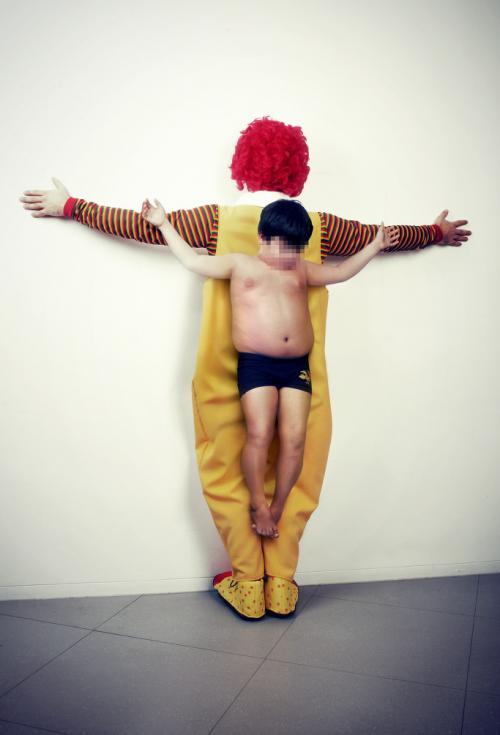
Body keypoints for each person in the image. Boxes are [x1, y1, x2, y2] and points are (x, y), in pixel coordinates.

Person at [19, 116, 471, 620]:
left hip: (227, 374)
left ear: (242, 167)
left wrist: (73, 206)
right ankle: (282, 582)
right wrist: (434, 232)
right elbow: (380, 236)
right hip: (301, 370)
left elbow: (138, 224)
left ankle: (249, 582)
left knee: (228, 465)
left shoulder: (215, 221)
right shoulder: (317, 227)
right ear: (298, 171)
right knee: (298, 462)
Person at [141, 194, 399, 538]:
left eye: (297, 248)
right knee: (260, 433)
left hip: (296, 367)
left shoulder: (301, 269)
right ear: (262, 237)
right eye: (284, 246)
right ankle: (257, 503)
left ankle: (277, 506)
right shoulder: (240, 265)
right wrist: (163, 223)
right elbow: (192, 261)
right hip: (257, 365)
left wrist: (376, 246)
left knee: (295, 439)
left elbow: (339, 272)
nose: (291, 255)